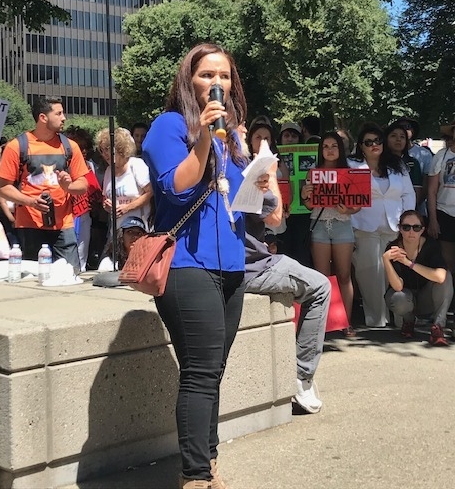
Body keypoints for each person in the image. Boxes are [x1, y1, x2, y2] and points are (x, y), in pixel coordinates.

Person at [142, 43, 249, 489]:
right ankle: (196, 476)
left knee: (212, 372)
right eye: (207, 75)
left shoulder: (236, 135)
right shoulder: (169, 126)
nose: (217, 84)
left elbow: (243, 202)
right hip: (187, 264)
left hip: (232, 265)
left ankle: (208, 461)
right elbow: (175, 188)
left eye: (224, 76)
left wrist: (269, 194)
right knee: (201, 373)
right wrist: (204, 137)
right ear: (189, 81)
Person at [242, 137, 330, 414]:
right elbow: (276, 217)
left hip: (215, 266)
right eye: (242, 130)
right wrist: (270, 174)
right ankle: (301, 377)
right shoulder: (242, 172)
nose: (245, 133)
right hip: (249, 266)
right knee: (321, 286)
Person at [0, 96, 89, 269]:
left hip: (64, 225)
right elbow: (3, 188)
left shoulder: (70, 147)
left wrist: (68, 186)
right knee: (33, 281)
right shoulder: (17, 146)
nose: (64, 118)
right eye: (59, 113)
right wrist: (31, 201)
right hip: (30, 225)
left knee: (70, 275)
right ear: (43, 117)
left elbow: (83, 184)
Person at [348, 123, 416, 327]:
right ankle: (377, 318)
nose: (374, 145)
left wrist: (407, 223)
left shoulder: (397, 165)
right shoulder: (352, 166)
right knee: (369, 273)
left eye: (377, 140)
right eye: (368, 142)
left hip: (394, 226)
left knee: (392, 273)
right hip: (364, 226)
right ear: (361, 146)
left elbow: (408, 193)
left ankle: (398, 317)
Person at [301, 132, 361, 337]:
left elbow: (358, 205)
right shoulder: (313, 172)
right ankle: (322, 324)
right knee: (322, 277)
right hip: (319, 226)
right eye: (325, 146)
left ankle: (347, 322)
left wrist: (348, 210)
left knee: (344, 275)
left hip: (342, 225)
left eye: (334, 145)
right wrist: (305, 195)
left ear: (340, 148)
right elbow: (309, 205)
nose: (329, 149)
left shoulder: (350, 172)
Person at [383, 210, 452, 346]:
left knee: (446, 277)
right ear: (400, 229)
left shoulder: (430, 245)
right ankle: (408, 321)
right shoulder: (393, 248)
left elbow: (440, 276)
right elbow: (397, 287)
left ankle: (438, 327)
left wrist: (408, 263)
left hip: (427, 298)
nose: (411, 232)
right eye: (406, 227)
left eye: (416, 228)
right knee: (398, 298)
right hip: (406, 298)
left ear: (422, 230)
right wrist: (385, 260)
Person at [96, 127, 153, 231]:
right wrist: (106, 205)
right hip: (117, 230)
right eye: (102, 150)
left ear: (120, 148)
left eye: (107, 149)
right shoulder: (108, 171)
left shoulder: (136, 165)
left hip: (138, 227)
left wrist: (127, 208)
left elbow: (150, 192)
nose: (104, 154)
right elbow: (105, 197)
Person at [65, 126, 103, 271]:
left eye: (86, 147)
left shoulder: (90, 166)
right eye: (81, 148)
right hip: (67, 214)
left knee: (81, 253)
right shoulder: (63, 166)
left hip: (84, 215)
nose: (84, 151)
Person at [427, 121, 455, 278]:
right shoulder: (441, 156)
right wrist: (433, 220)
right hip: (444, 212)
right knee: (448, 260)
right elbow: (431, 191)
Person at [384, 121, 423, 206]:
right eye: (393, 136)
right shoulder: (379, 162)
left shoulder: (413, 163)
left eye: (402, 137)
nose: (398, 139)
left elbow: (417, 192)